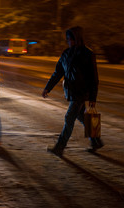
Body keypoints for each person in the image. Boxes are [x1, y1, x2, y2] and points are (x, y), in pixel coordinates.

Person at [41, 26, 104, 157]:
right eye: (67, 39)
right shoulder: (66, 54)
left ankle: (60, 147)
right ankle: (96, 141)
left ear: (77, 38)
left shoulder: (87, 54)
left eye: (71, 38)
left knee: (69, 117)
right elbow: (58, 72)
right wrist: (48, 87)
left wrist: (93, 98)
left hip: (82, 93)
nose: (68, 41)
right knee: (81, 117)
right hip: (71, 92)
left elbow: (94, 78)